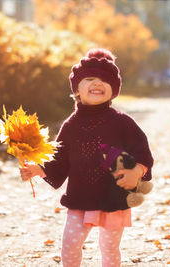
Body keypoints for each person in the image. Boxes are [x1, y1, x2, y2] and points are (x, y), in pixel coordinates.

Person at [20, 48, 154, 267]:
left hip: (113, 197)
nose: (97, 83)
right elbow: (59, 160)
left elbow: (142, 150)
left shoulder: (122, 122)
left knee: (109, 248)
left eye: (104, 80)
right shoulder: (70, 126)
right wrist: (38, 168)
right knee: (70, 244)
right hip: (80, 197)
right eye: (90, 79)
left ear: (114, 90)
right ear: (77, 90)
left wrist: (137, 172)